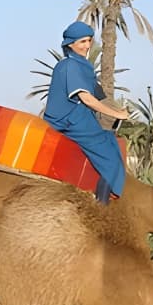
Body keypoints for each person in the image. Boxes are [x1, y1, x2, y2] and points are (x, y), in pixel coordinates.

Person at [43, 20, 129, 204]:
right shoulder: (70, 66)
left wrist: (117, 109)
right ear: (70, 44)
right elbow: (87, 98)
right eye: (82, 41)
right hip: (69, 120)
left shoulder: (82, 66)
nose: (87, 45)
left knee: (111, 140)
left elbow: (99, 94)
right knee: (110, 158)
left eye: (89, 40)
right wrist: (117, 115)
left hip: (79, 117)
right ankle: (101, 206)